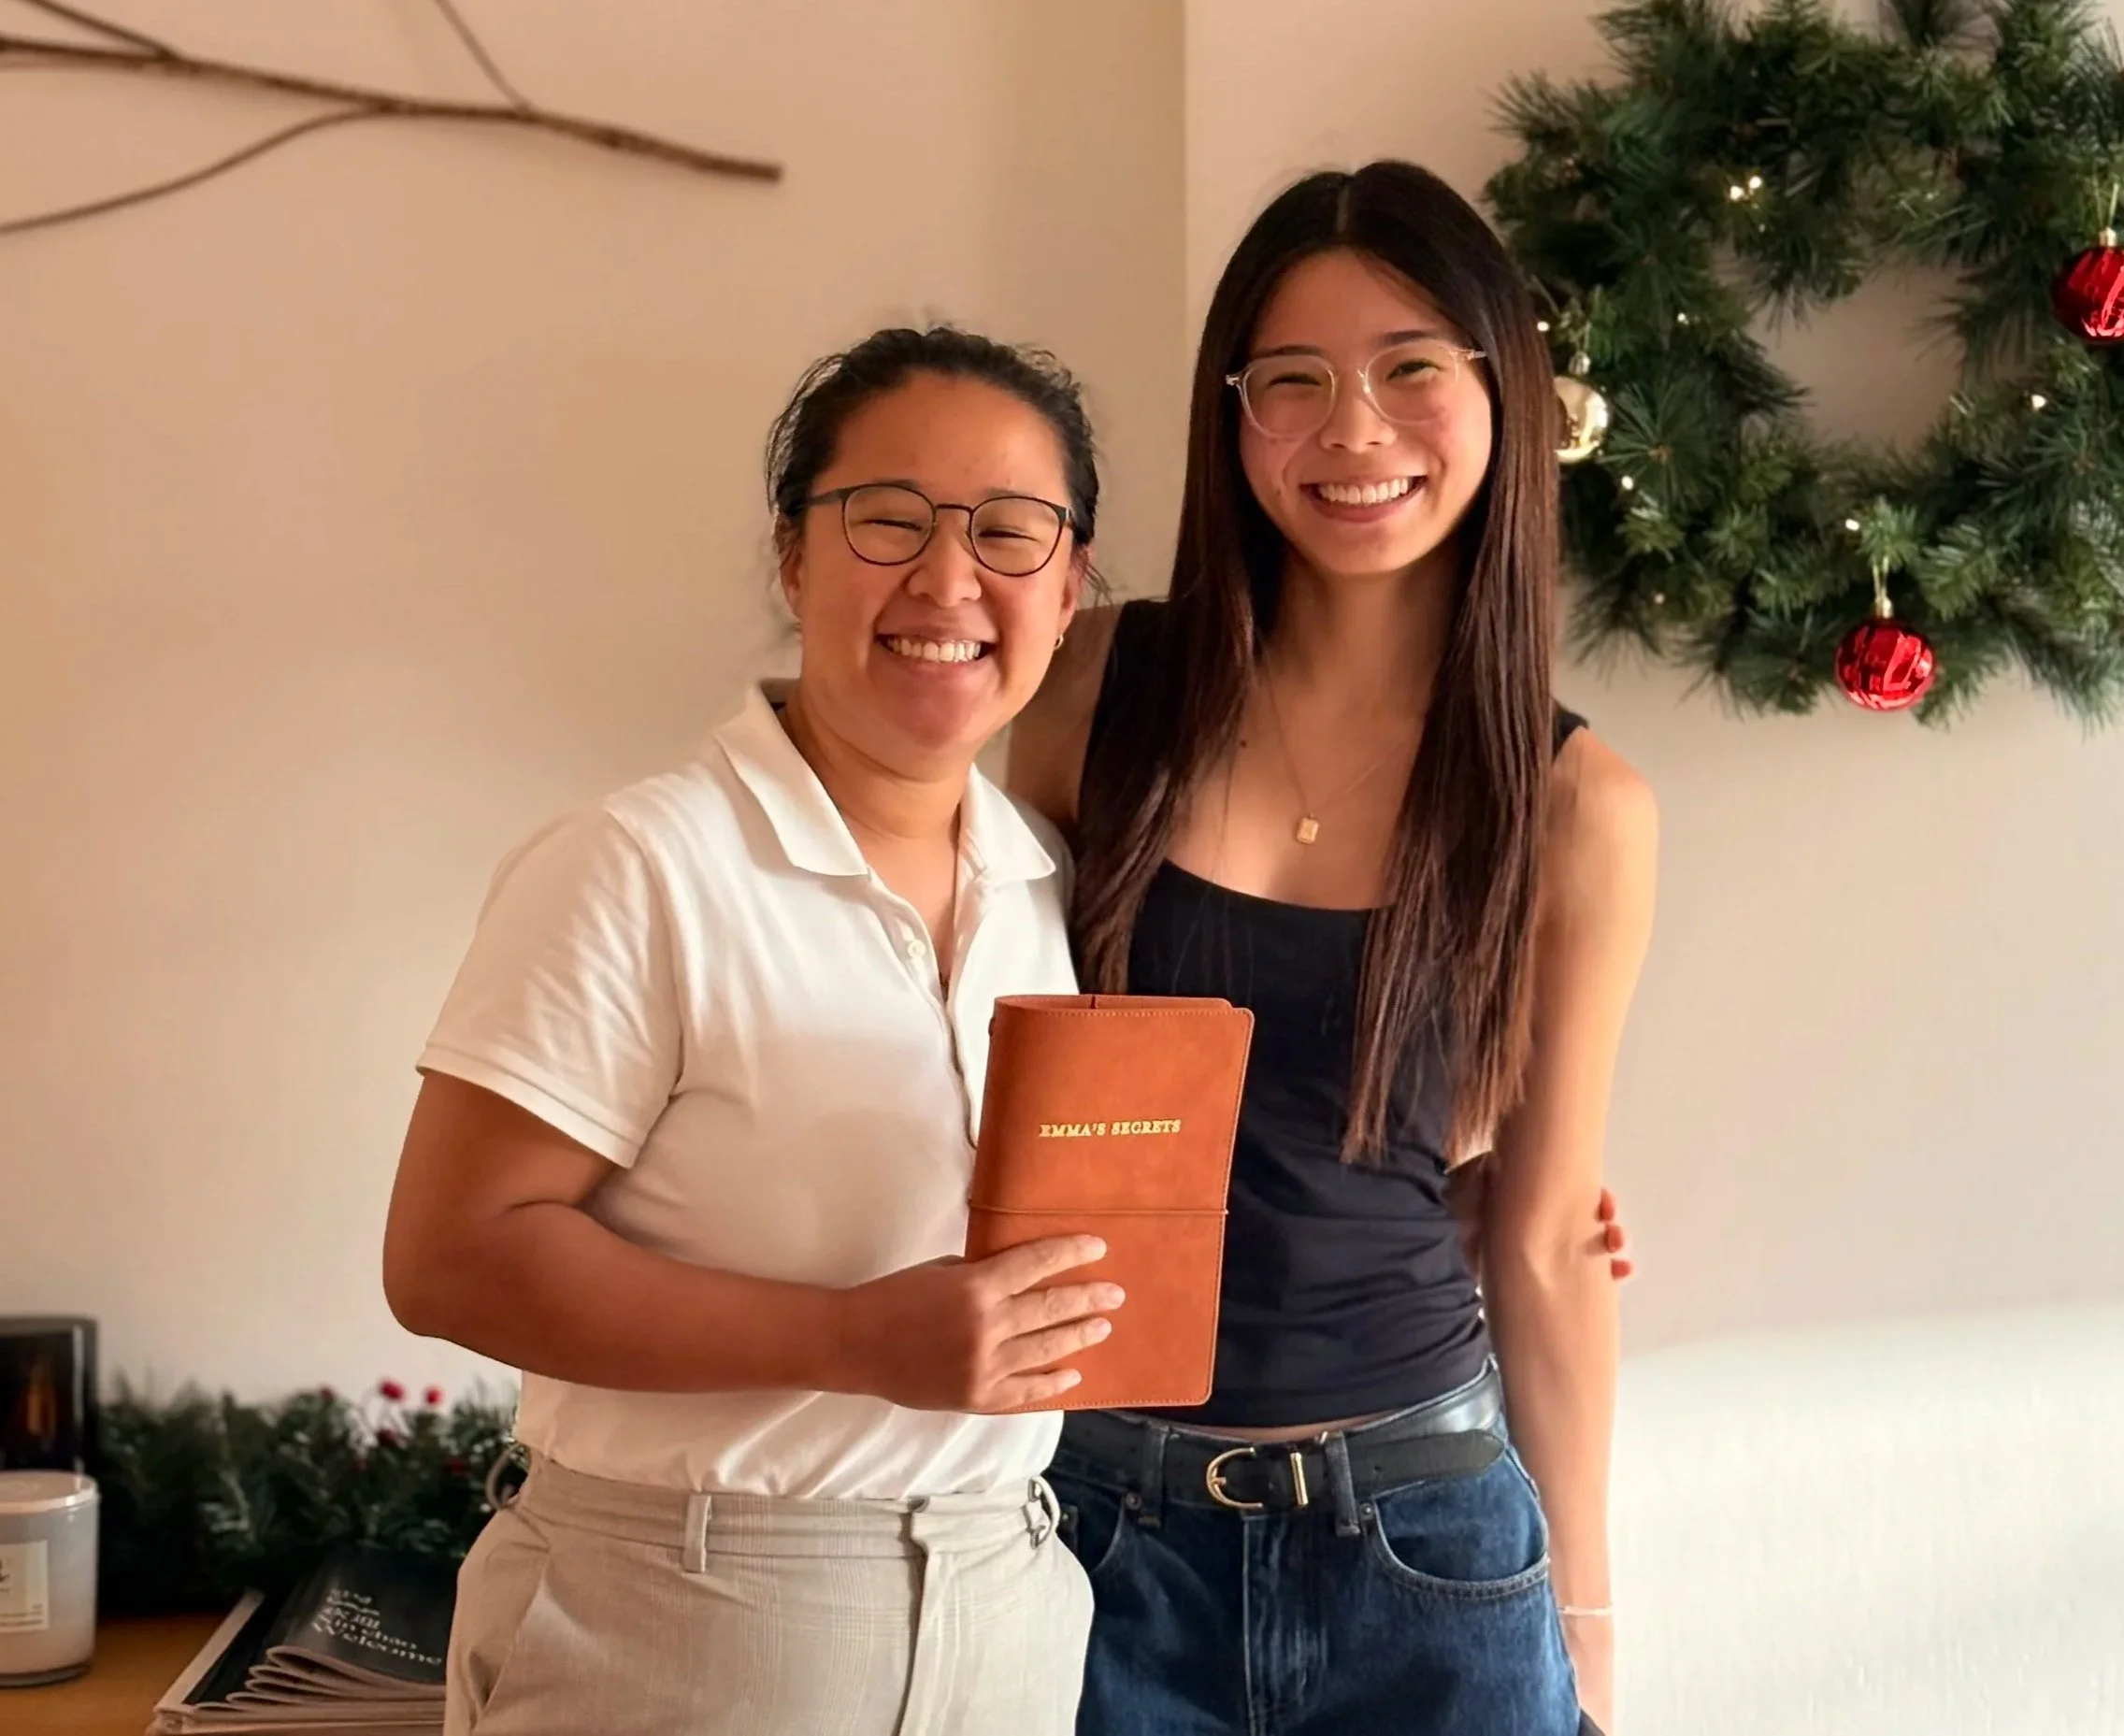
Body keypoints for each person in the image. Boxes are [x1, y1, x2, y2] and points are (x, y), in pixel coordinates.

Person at [380, 326, 1128, 1736]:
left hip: (1008, 1603)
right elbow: (449, 1259)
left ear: (1069, 581)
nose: (948, 578)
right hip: (682, 1618)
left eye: (1010, 532)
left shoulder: (1059, 885)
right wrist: (851, 1340)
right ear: (794, 557)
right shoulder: (640, 864)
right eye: (886, 519)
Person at [1008, 160, 1659, 1734]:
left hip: (1424, 1549)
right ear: (1229, 420)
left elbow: (1547, 1238)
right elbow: (955, 1038)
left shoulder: (1579, 807)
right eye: (1288, 382)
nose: (1352, 432)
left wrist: (1583, 1608)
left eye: (1410, 371)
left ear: (1502, 391)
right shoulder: (1093, 688)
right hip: (1094, 1533)